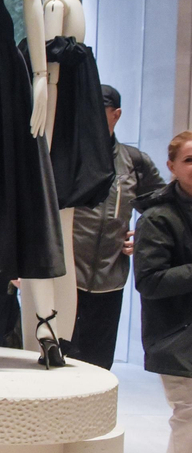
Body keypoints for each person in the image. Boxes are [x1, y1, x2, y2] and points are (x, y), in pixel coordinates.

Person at [70, 85, 164, 369]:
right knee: (58, 361)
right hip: (65, 278)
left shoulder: (134, 162)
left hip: (110, 280)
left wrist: (144, 237)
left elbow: (162, 208)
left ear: (117, 115)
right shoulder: (66, 157)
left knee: (98, 364)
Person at [132, 130, 192, 453]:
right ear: (170, 167)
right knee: (188, 416)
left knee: (187, 421)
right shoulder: (157, 217)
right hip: (176, 336)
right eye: (189, 160)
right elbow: (150, 281)